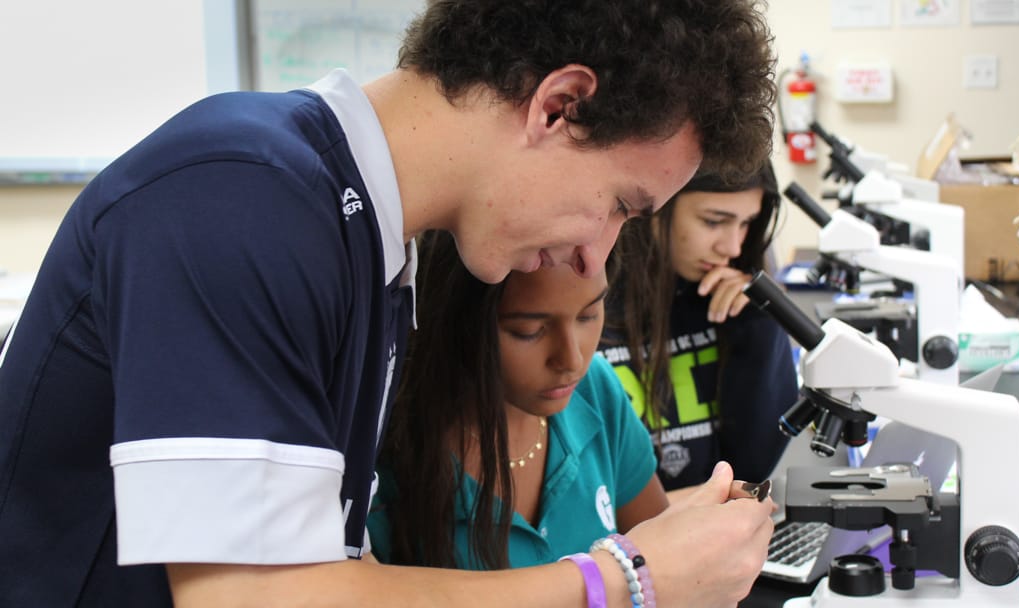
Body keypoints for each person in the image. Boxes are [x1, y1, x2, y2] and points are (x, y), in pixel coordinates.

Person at [0, 1, 776, 606]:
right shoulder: (239, 193)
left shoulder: (371, 253)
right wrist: (626, 581)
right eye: (618, 204)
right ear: (559, 106)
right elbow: (262, 599)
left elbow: (348, 576)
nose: (594, 255)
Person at [367, 231, 669, 570]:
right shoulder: (385, 447)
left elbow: (662, 560)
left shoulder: (595, 390)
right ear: (454, 322)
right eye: (529, 331)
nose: (570, 360)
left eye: (588, 315)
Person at [602, 161, 798, 501]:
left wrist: (759, 325)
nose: (733, 248)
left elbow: (752, 469)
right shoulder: (589, 305)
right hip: (614, 548)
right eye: (713, 222)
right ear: (655, 206)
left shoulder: (737, 308)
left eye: (746, 224)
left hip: (709, 538)